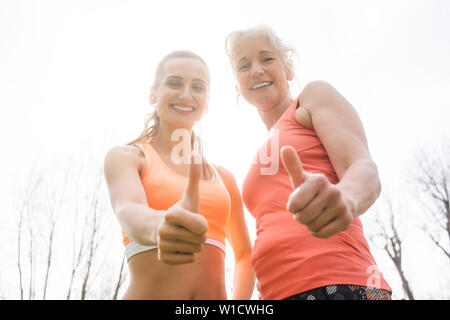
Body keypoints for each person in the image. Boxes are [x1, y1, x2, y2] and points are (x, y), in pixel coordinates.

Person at [225, 25, 392, 300]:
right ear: (238, 85)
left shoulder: (310, 99)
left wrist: (345, 197)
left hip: (340, 283)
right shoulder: (262, 153)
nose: (255, 70)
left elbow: (362, 167)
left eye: (266, 59)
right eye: (244, 66)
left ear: (288, 69)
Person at [104, 50, 255, 299]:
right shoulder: (128, 157)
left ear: (207, 102)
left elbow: (244, 255)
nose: (186, 95)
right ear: (153, 93)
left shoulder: (224, 179)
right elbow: (128, 208)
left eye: (198, 87)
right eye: (174, 83)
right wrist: (159, 225)